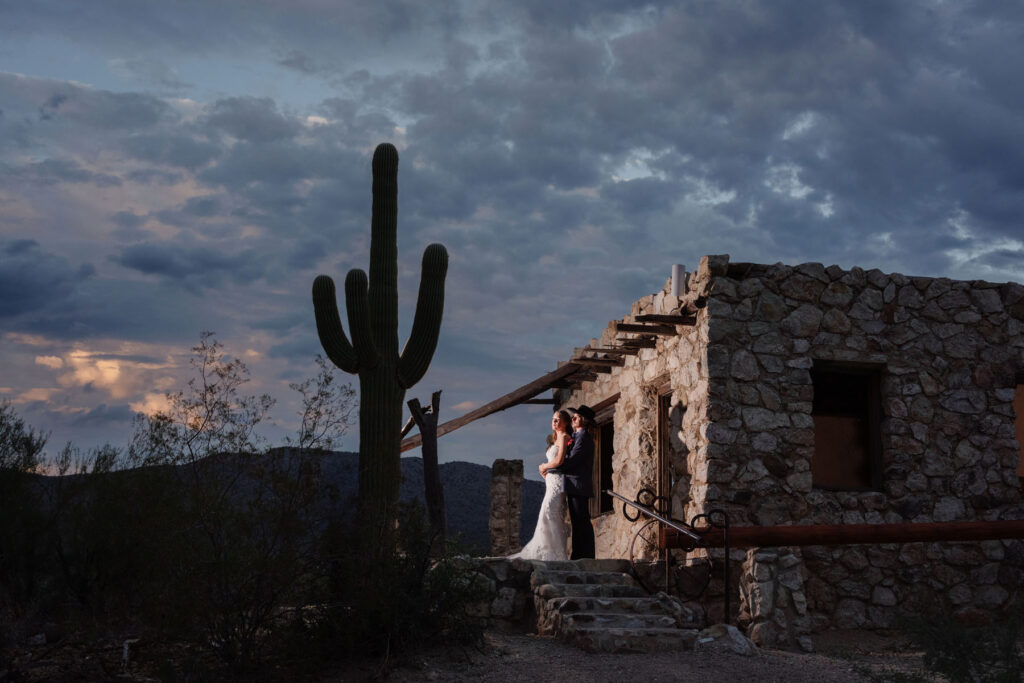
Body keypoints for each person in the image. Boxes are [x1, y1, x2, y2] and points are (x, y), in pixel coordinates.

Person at [509, 410, 572, 561]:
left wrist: (544, 466)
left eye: (558, 420)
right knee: (545, 513)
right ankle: (546, 551)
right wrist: (545, 472)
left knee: (550, 511)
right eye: (553, 419)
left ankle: (556, 554)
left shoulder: (564, 437)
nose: (554, 422)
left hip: (557, 481)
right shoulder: (555, 438)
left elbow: (559, 461)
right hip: (550, 481)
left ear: (565, 422)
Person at [559, 405, 597, 560]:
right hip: (574, 485)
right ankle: (581, 554)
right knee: (577, 520)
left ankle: (583, 555)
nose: (573, 418)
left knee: (581, 520)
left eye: (577, 416)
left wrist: (555, 464)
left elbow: (572, 461)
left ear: (585, 420)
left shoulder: (583, 438)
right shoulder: (576, 437)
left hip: (578, 485)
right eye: (573, 416)